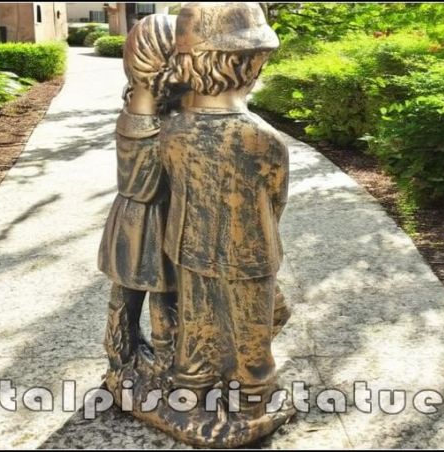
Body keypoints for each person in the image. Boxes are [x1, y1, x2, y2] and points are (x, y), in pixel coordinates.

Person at [159, 2, 289, 418]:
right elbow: (276, 199)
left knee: (198, 322)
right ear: (246, 64)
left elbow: (173, 186)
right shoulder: (262, 137)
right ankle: (252, 393)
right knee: (253, 328)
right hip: (250, 254)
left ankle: (192, 384)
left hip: (188, 247)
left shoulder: (173, 130)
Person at [98, 13, 181, 381]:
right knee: (165, 292)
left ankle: (120, 353)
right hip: (156, 219)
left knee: (126, 291)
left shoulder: (134, 106)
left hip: (128, 217)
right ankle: (168, 362)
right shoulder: (165, 123)